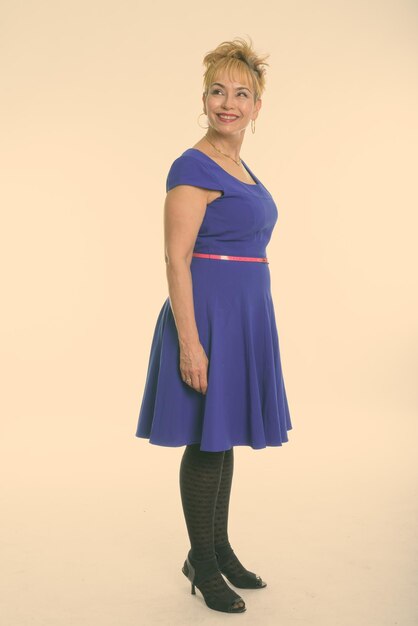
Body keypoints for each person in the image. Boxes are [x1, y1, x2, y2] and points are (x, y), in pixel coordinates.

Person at [135, 36, 293, 614]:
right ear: (204, 99)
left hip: (244, 316)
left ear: (257, 106)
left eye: (241, 93)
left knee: (221, 435)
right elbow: (177, 259)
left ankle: (216, 548)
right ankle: (202, 562)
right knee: (207, 440)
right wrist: (190, 343)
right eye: (218, 91)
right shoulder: (192, 165)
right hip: (205, 319)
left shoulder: (239, 165)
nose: (228, 102)